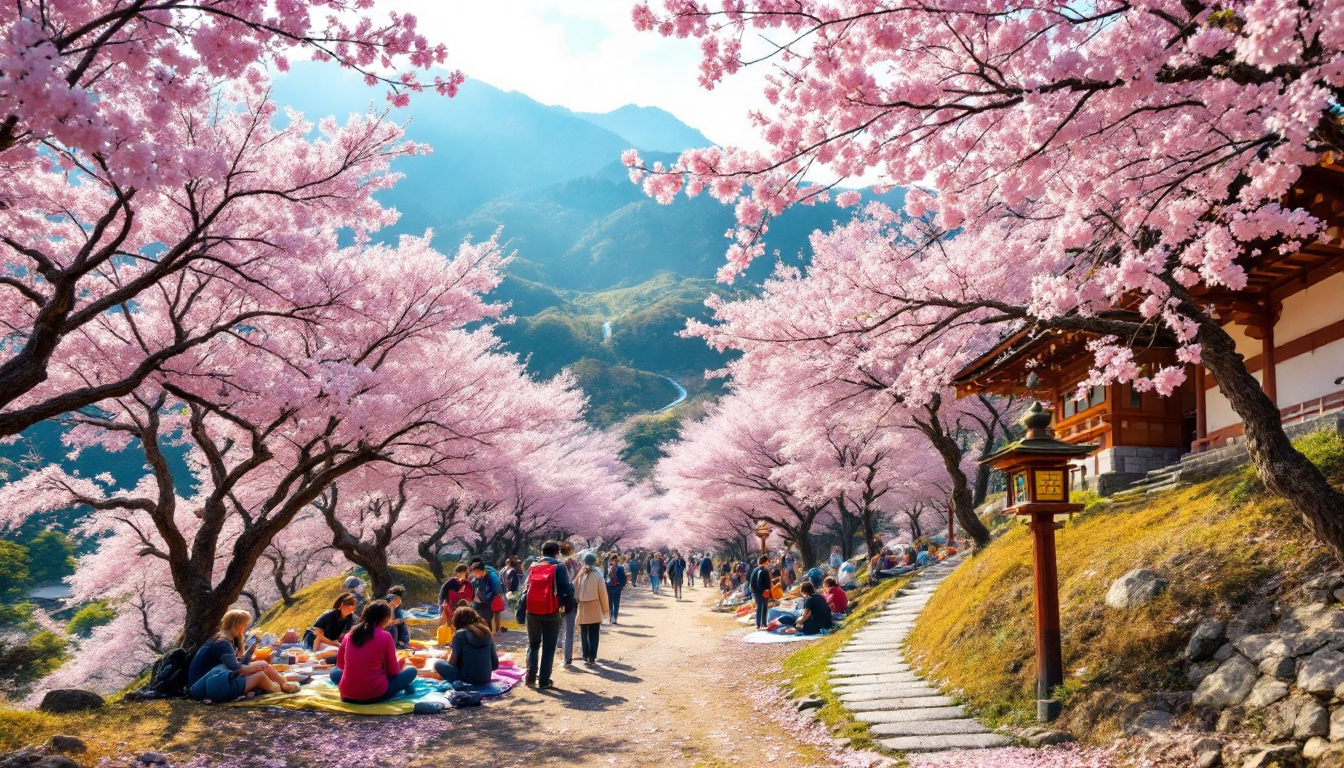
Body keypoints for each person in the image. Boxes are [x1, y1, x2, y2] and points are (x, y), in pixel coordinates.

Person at [188, 609, 296, 703]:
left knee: (260, 667)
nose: (245, 627)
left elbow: (232, 665)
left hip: (213, 680)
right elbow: (235, 668)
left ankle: (282, 684)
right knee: (261, 668)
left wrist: (249, 655)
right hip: (207, 684)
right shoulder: (222, 644)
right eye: (245, 624)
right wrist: (256, 666)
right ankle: (282, 685)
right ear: (239, 625)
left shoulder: (219, 639)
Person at [330, 601, 418, 705]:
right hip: (375, 695)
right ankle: (404, 688)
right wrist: (400, 664)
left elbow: (340, 665)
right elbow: (392, 672)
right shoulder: (385, 636)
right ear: (384, 618)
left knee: (334, 672)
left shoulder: (350, 635)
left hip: (347, 695)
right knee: (411, 671)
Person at [518, 540, 574, 689]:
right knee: (549, 647)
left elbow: (525, 588)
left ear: (541, 552)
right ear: (557, 553)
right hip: (550, 611)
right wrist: (568, 605)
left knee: (533, 644)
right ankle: (543, 681)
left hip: (532, 611)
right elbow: (565, 590)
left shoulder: (533, 566)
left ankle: (530, 678)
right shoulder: (559, 567)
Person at [432, 606, 499, 685]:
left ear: (457, 621)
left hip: (466, 680)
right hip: (485, 679)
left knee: (438, 663)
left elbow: (452, 662)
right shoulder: (486, 632)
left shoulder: (460, 635)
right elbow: (495, 665)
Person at [573, 552, 610, 665]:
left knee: (584, 633)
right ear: (594, 562)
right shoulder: (598, 575)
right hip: (594, 607)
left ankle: (585, 656)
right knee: (594, 633)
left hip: (583, 607)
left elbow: (575, 592)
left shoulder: (580, 574)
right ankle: (592, 657)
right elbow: (603, 594)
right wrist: (605, 610)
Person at [305, 592, 358, 659]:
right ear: (341, 605)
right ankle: (313, 656)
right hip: (315, 641)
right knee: (336, 652)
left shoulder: (351, 619)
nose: (352, 608)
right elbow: (317, 636)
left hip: (331, 643)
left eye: (353, 605)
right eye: (350, 604)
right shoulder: (328, 616)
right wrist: (335, 644)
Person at [559, 542, 580, 666]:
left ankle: (558, 646)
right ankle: (567, 657)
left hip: (555, 600)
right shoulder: (574, 565)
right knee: (569, 630)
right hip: (570, 599)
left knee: (556, 627)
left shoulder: (555, 565)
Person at [469, 562, 502, 636]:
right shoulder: (475, 579)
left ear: (480, 571)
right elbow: (473, 590)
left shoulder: (492, 577)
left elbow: (496, 591)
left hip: (486, 605)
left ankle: (488, 638)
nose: (474, 574)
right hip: (477, 605)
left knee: (486, 623)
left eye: (475, 572)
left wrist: (485, 599)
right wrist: (475, 597)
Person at [748, 555, 772, 630]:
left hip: (756, 592)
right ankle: (764, 623)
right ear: (765, 561)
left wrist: (755, 591)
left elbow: (751, 583)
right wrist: (766, 590)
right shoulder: (764, 570)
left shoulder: (754, 570)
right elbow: (764, 582)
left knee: (759, 608)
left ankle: (758, 624)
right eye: (767, 561)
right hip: (764, 591)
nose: (768, 563)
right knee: (764, 608)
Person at [605, 554, 628, 625]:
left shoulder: (609, 567)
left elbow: (605, 577)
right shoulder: (620, 567)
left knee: (611, 602)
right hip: (616, 586)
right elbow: (624, 577)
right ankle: (614, 617)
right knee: (616, 603)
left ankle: (612, 616)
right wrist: (622, 585)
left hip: (610, 586)